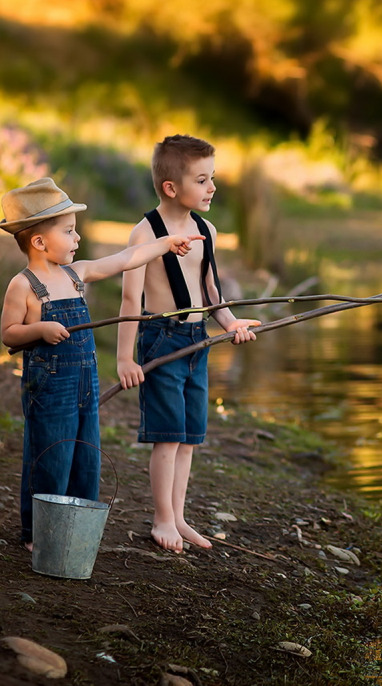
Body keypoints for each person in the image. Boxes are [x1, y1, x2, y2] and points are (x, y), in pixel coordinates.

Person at [0, 176, 204, 551]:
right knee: (51, 453)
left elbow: (123, 260)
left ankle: (75, 521)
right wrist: (40, 328)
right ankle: (38, 532)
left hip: (85, 383)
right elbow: (9, 333)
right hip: (50, 386)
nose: (78, 239)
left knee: (85, 453)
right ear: (40, 242)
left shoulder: (75, 275)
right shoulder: (24, 285)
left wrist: (164, 244)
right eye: (69, 231)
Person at [117, 134, 260, 553]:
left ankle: (178, 516)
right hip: (162, 341)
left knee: (189, 436)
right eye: (202, 179)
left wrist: (231, 323)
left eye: (212, 177)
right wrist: (125, 357)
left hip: (198, 341)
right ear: (171, 187)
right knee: (167, 434)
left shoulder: (207, 229)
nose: (212, 187)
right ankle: (162, 518)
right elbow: (130, 299)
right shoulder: (144, 234)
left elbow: (210, 288)